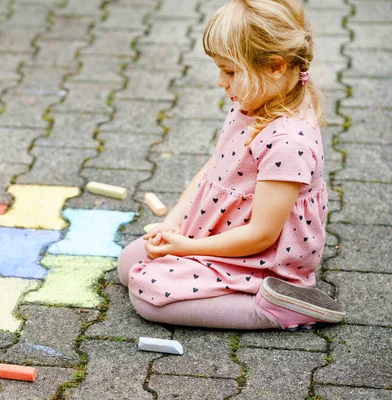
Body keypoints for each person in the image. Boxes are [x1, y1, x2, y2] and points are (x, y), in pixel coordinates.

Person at [118, 0, 345, 330]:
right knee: (129, 262)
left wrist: (189, 249)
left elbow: (261, 235)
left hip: (260, 259)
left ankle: (278, 306)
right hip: (220, 232)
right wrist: (173, 224)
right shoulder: (257, 104)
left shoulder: (288, 143)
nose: (220, 82)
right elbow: (215, 168)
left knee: (148, 296)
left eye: (230, 71)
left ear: (276, 66)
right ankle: (206, 274)